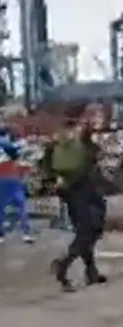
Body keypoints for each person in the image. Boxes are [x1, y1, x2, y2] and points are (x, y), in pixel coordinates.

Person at [50, 119, 108, 291]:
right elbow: (79, 167)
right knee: (88, 231)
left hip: (81, 193)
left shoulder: (68, 146)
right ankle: (63, 265)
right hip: (81, 194)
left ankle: (91, 272)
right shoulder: (72, 147)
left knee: (89, 231)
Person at [0, 120, 33, 244]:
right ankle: (26, 233)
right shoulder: (8, 144)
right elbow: (22, 158)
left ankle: (0, 235)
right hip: (11, 177)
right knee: (20, 206)